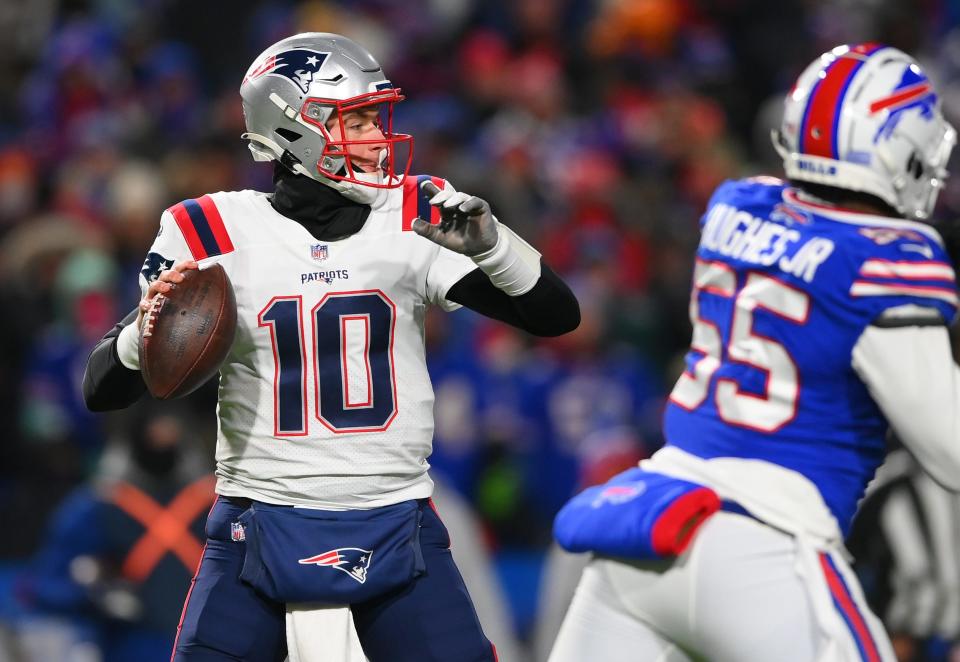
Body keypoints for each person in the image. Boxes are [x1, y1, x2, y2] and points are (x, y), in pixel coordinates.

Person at [82, 32, 580, 662]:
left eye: (376, 117)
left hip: (395, 517)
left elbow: (557, 317)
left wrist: (492, 245)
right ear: (296, 130)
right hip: (257, 525)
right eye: (359, 119)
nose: (377, 136)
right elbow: (101, 387)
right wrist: (146, 329)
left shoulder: (412, 213)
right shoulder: (209, 230)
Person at [548, 42, 960, 662]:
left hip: (646, 530)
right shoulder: (892, 259)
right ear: (897, 153)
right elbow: (950, 447)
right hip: (768, 551)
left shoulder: (735, 209)